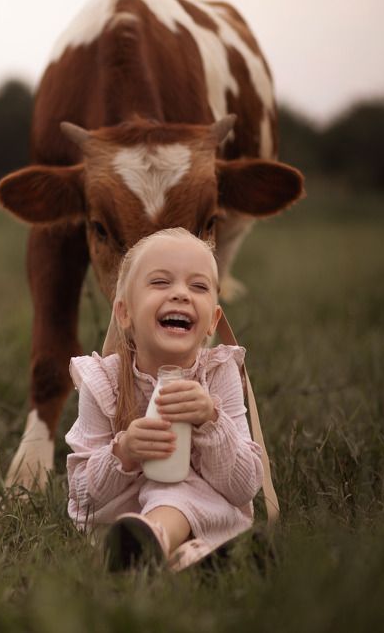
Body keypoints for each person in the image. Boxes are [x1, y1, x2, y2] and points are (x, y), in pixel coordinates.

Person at [64, 227, 263, 571]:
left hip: (206, 511)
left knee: (178, 488)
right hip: (123, 519)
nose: (181, 295)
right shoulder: (104, 381)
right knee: (164, 487)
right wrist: (124, 452)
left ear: (212, 321)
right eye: (160, 282)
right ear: (124, 313)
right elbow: (82, 495)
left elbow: (244, 487)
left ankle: (165, 551)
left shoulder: (218, 374)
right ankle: (177, 551)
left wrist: (211, 421)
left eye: (198, 286)